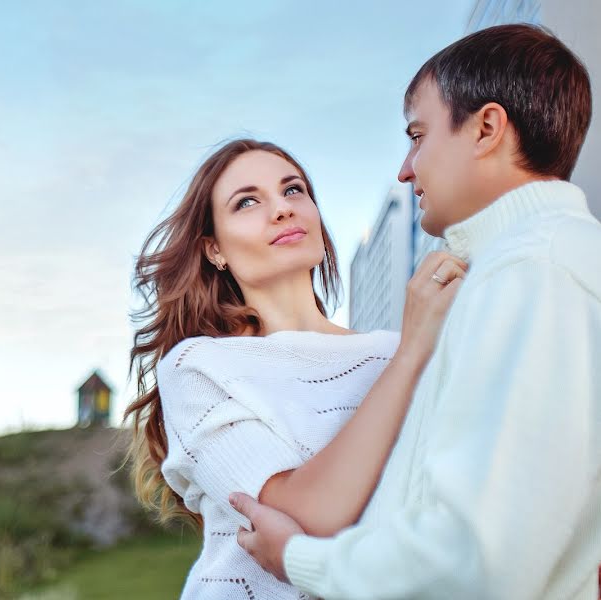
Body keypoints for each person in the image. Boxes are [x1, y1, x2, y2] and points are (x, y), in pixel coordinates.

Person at [231, 23, 601, 599]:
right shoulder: (520, 269)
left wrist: (298, 559)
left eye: (417, 135)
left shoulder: (533, 272)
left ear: (486, 128)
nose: (406, 169)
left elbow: (477, 557)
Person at [123, 137, 466, 599]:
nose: (282, 209)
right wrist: (411, 356)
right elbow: (312, 519)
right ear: (214, 250)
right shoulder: (199, 367)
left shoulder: (401, 348)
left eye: (293, 190)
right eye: (247, 202)